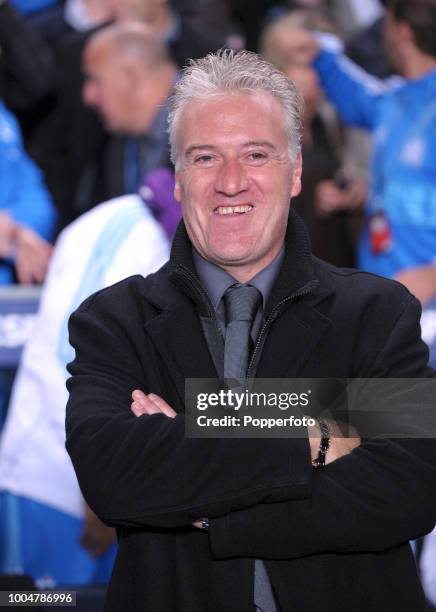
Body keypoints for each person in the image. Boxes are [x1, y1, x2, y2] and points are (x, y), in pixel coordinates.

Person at [66, 50, 436, 611]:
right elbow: (115, 479)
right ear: (178, 178)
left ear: (295, 172)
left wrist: (203, 453)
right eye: (206, 157)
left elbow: (411, 487)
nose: (231, 182)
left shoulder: (379, 313)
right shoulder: (113, 321)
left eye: (256, 155)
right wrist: (318, 433)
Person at [0, 176, 173, 586]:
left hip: (111, 486)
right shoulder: (129, 233)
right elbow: (74, 363)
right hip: (56, 485)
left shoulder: (154, 229)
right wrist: (97, 490)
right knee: (35, 602)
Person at [289, 0, 436, 305]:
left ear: (402, 32)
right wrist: (320, 50)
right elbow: (354, 94)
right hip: (387, 302)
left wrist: (432, 275)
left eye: (387, 24)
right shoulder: (395, 100)